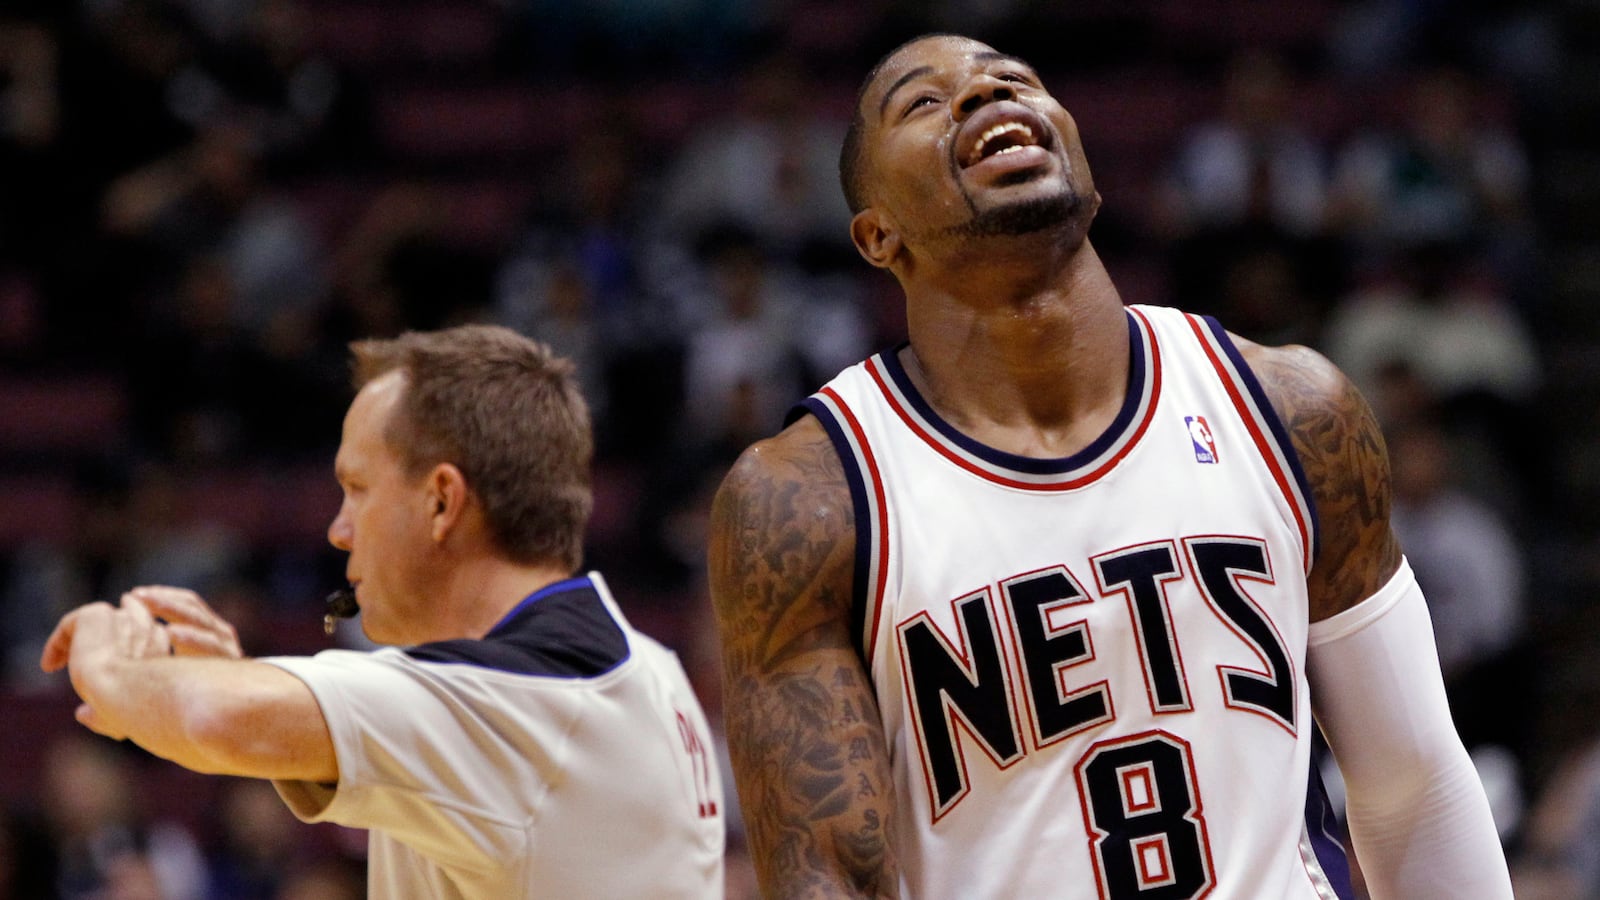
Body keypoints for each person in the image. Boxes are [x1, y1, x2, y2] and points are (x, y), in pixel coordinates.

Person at [707, 34, 1512, 899]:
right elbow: (827, 878)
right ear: (877, 236)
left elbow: (1414, 787)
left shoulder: (1290, 409)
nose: (982, 93)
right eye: (924, 102)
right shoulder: (808, 499)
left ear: (1087, 173)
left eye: (1012, 79)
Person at [41, 323, 726, 898]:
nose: (339, 530)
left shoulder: (517, 697)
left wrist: (107, 652)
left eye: (358, 488)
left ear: (441, 501)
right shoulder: (643, 670)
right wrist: (239, 682)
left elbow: (210, 719)